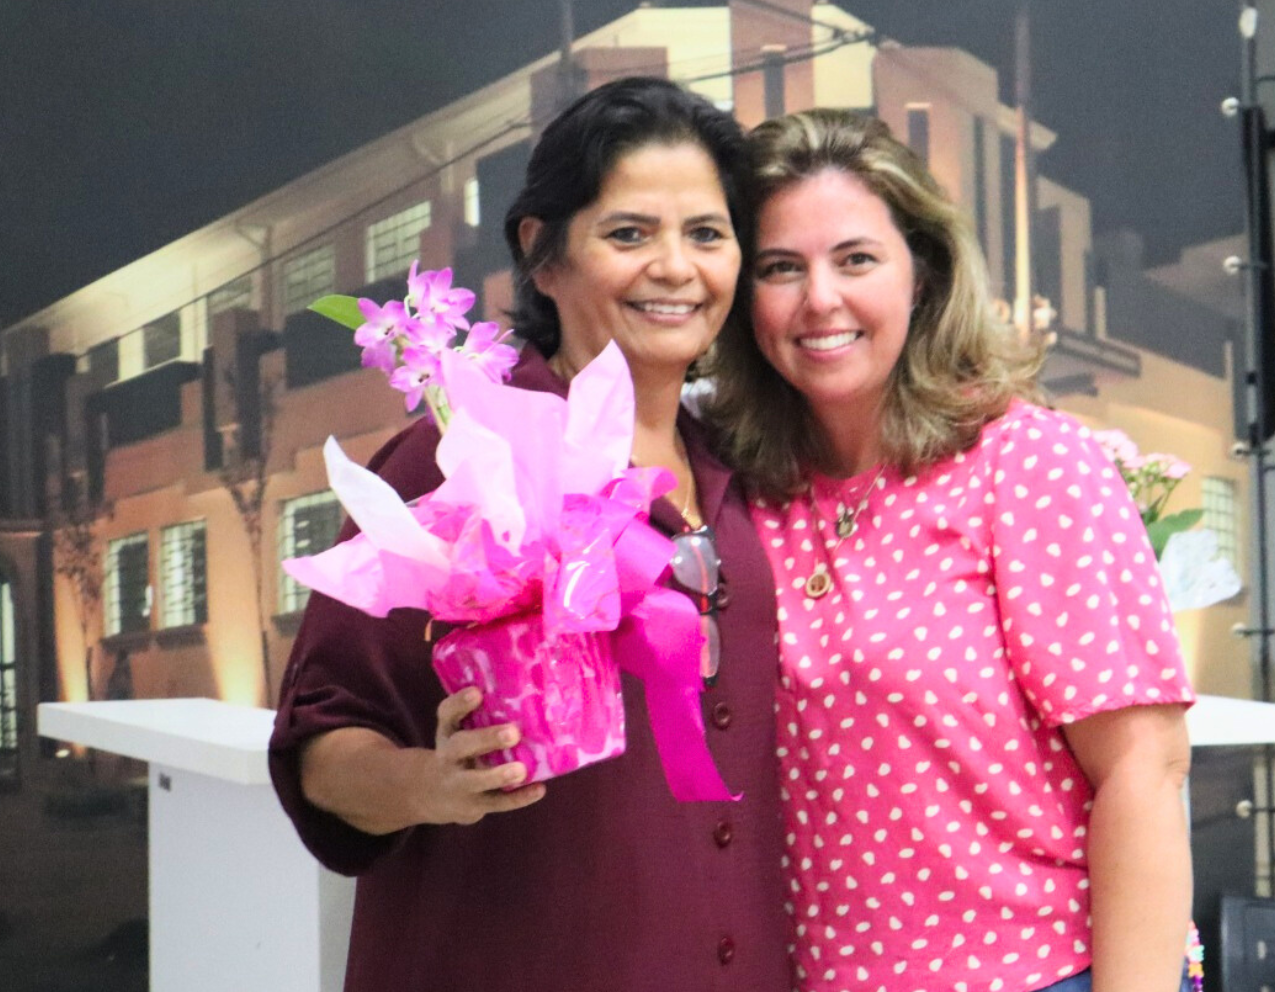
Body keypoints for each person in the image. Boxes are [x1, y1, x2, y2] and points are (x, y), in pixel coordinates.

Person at [269, 77, 793, 992]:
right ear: (542, 254)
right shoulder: (462, 457)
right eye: (629, 234)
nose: (676, 267)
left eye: (708, 234)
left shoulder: (744, 472)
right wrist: (426, 783)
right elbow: (321, 742)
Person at [706, 108, 1197, 992]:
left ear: (922, 274)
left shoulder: (1028, 463)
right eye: (781, 268)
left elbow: (1144, 770)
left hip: (1040, 975)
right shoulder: (736, 488)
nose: (820, 299)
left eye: (857, 259)